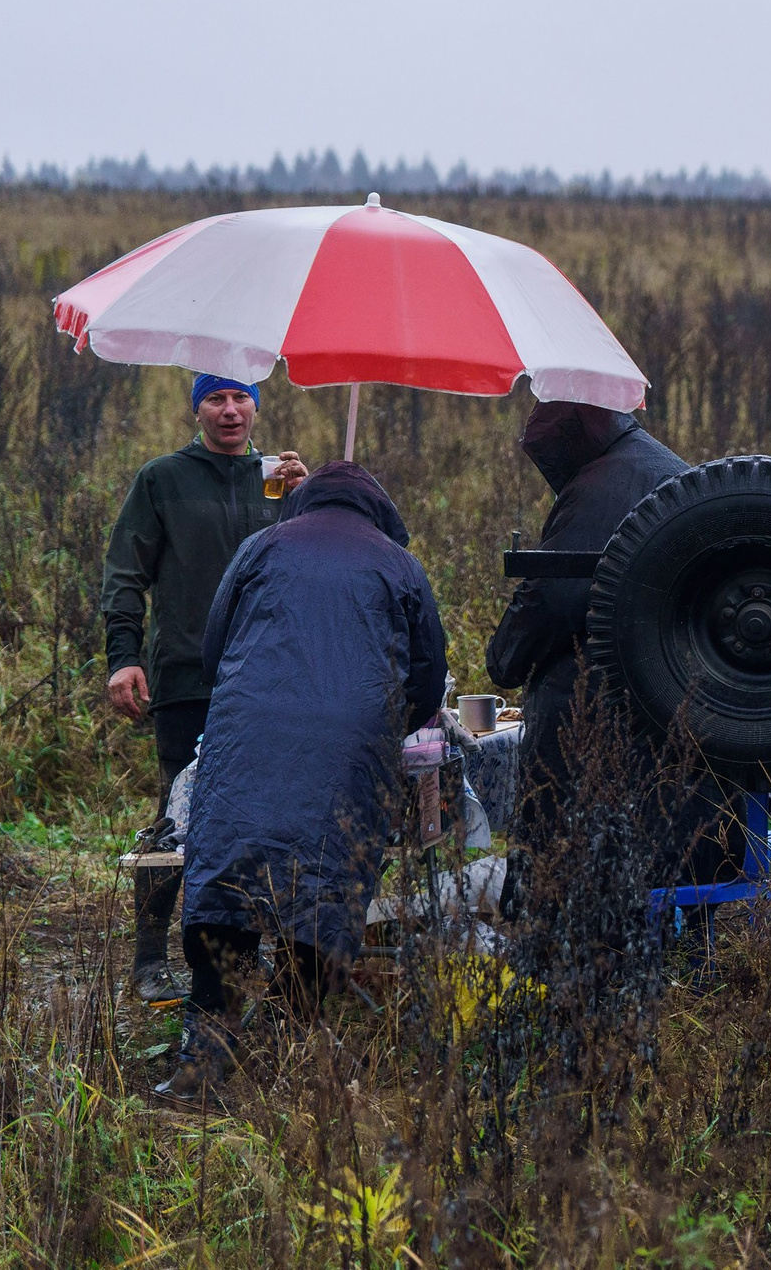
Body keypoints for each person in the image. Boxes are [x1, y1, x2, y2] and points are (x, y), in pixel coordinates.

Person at [162, 462, 446, 1100]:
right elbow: (428, 684)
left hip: (245, 739)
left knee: (228, 877)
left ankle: (205, 1051)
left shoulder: (260, 547)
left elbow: (213, 651)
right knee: (323, 883)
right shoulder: (400, 566)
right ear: (378, 508)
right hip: (352, 750)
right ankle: (295, 1041)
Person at [101, 373, 308, 1002]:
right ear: (196, 407)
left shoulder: (278, 477)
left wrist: (312, 498)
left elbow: (311, 561)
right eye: (215, 398)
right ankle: (147, 959)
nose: (229, 411)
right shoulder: (163, 479)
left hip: (268, 680)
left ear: (256, 405)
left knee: (261, 816)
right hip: (187, 678)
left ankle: (237, 958)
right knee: (176, 815)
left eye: (240, 397)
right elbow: (124, 573)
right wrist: (123, 657)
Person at [484, 401, 704, 867]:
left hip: (595, 729)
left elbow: (552, 599)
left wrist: (505, 657)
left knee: (569, 885)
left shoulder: (601, 488)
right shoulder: (670, 469)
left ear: (572, 432)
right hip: (672, 719)